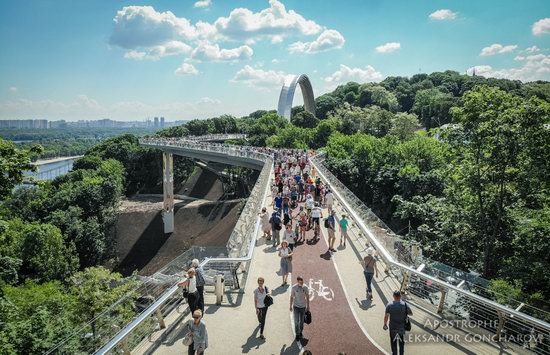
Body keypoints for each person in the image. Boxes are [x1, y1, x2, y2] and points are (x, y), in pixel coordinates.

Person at [383, 290, 413, 355]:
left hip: (393, 327)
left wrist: (385, 324)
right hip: (402, 328)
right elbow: (411, 314)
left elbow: (386, 316)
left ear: (393, 296)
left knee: (393, 342)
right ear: (400, 296)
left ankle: (394, 353)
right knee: (401, 342)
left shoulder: (389, 305)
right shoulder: (405, 305)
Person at [290, 276, 310, 341]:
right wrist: (290, 305)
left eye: (302, 281)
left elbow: (307, 296)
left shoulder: (305, 287)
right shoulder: (294, 287)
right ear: (297, 281)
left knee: (301, 322)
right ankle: (297, 334)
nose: (301, 282)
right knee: (296, 321)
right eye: (299, 281)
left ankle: (300, 331)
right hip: (296, 307)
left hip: (303, 307)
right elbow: (292, 297)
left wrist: (308, 306)